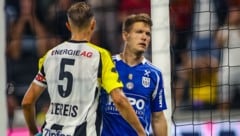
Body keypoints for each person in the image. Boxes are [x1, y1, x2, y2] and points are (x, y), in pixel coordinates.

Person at [21, 2, 145, 136]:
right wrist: (141, 132)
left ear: (68, 26)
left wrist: (34, 132)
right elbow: (119, 100)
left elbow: (27, 102)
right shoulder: (100, 56)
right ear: (93, 25)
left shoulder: (50, 55)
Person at [100, 13, 168, 136]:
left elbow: (158, 117)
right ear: (125, 35)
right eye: (139, 32)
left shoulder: (154, 74)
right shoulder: (107, 65)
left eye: (148, 34)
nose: (144, 37)